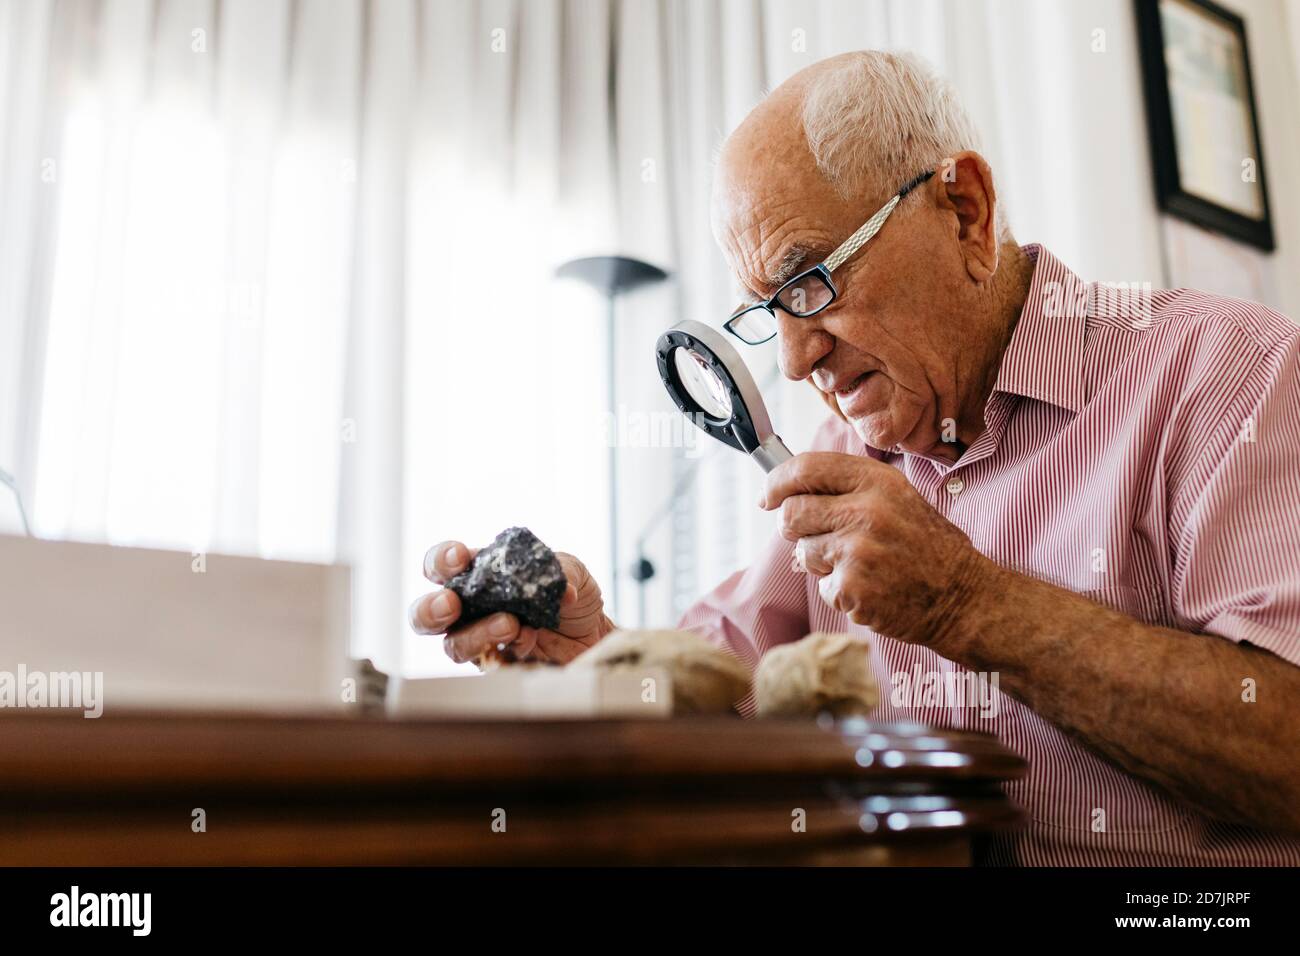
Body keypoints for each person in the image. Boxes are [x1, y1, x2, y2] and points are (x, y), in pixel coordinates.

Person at [410, 51, 1300, 865]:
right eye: (769, 310)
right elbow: (725, 699)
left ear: (966, 211)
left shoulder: (1227, 374)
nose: (796, 360)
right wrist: (587, 655)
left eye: (812, 282)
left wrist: (965, 603)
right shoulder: (842, 452)